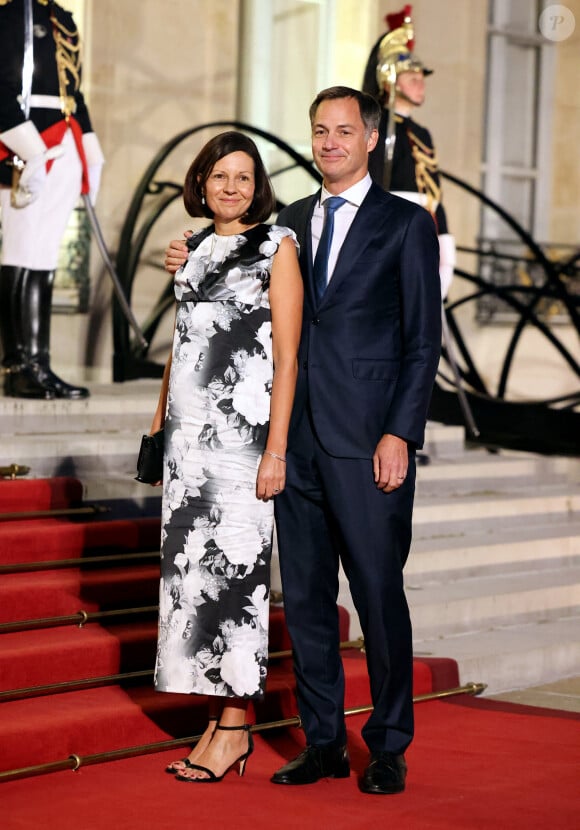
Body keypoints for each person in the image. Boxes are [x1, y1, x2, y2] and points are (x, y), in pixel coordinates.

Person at [165, 87, 441, 795]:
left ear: (370, 139)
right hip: (293, 439)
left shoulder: (406, 224)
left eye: (344, 132)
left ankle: (387, 745)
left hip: (366, 439)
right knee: (310, 600)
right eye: (320, 131)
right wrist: (192, 250)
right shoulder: (287, 221)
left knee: (379, 593)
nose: (329, 144)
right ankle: (322, 741)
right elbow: (235, 258)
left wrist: (400, 432)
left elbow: (421, 341)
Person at [152, 131, 303, 783]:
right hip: (188, 446)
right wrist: (158, 425)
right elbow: (183, 343)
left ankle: (237, 724)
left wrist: (277, 449)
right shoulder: (190, 249)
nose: (232, 186)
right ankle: (216, 716)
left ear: (258, 185)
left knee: (236, 579)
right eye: (220, 175)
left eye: (244, 176)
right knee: (193, 581)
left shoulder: (278, 245)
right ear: (202, 182)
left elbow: (289, 356)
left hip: (244, 447)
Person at [0, 0, 104, 399]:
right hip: (26, 145)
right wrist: (29, 150)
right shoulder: (10, 16)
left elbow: (74, 93)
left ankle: (40, 364)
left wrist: (91, 151)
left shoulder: (62, 19)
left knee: (44, 256)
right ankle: (16, 366)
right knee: (21, 252)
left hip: (64, 142)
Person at [362, 5, 456, 300]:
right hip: (394, 223)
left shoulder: (422, 133)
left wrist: (445, 235)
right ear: (390, 78)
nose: (419, 81)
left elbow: (433, 191)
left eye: (420, 75)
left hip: (426, 222)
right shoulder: (378, 125)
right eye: (410, 76)